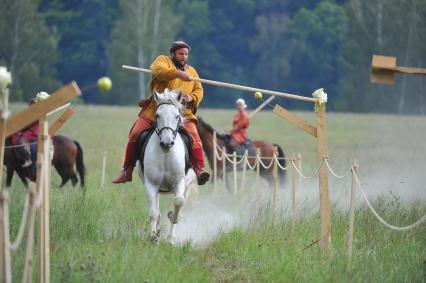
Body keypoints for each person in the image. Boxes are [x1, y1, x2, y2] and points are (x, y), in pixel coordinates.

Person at [112, 40, 210, 185]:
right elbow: (159, 72)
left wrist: (192, 97)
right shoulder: (162, 60)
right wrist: (177, 74)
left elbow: (199, 89)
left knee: (195, 139)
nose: (184, 56)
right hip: (156, 109)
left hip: (182, 113)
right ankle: (127, 170)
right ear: (173, 54)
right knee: (135, 134)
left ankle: (199, 170)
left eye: (186, 54)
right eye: (180, 54)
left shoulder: (192, 71)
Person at [12, 92, 50, 177]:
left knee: (22, 140)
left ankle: (28, 159)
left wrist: (20, 129)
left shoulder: (39, 111)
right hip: (34, 130)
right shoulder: (36, 110)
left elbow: (29, 123)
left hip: (34, 132)